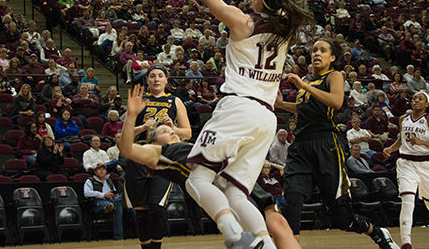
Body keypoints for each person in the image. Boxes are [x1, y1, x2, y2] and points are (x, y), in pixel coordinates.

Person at [185, 0, 314, 249]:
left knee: (197, 180)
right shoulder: (284, 29)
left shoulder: (244, 22)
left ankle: (233, 235)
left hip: (239, 108)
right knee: (235, 192)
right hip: (267, 119)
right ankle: (264, 245)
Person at [121, 85, 300, 249]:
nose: (172, 131)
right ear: (152, 141)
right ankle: (237, 234)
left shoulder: (196, 144)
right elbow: (127, 149)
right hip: (220, 189)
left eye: (172, 129)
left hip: (237, 176)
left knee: (279, 225)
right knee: (257, 233)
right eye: (164, 131)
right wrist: (131, 116)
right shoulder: (159, 152)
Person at [275, 38, 397, 248]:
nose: (316, 53)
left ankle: (377, 232)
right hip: (301, 146)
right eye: (314, 50)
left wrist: (303, 85)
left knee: (343, 218)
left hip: (326, 145)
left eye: (322, 50)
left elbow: (336, 102)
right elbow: (303, 107)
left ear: (332, 57)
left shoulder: (334, 76)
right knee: (292, 200)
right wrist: (281, 104)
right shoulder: (307, 80)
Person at [124, 65, 191, 249]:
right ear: (147, 80)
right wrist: (143, 127)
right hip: (139, 155)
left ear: (166, 80)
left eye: (160, 76)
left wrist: (173, 128)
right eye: (152, 76)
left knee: (157, 207)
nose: (156, 79)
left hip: (162, 157)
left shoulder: (175, 101)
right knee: (141, 211)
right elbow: (123, 134)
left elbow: (188, 133)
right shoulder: (140, 100)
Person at [383, 91, 429, 249]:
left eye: (420, 99)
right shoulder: (403, 119)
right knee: (408, 201)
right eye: (415, 98)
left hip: (427, 165)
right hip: (406, 163)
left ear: (426, 104)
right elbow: (401, 138)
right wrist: (391, 148)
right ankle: (406, 243)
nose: (416, 100)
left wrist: (421, 143)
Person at [83, 163, 123, 240]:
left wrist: (115, 195)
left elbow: (114, 191)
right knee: (117, 206)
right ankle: (119, 236)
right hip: (98, 202)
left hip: (112, 200)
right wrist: (103, 195)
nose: (102, 171)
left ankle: (110, 206)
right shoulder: (90, 181)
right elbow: (87, 193)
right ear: (95, 172)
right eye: (99, 169)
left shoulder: (109, 180)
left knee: (121, 197)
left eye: (103, 169)